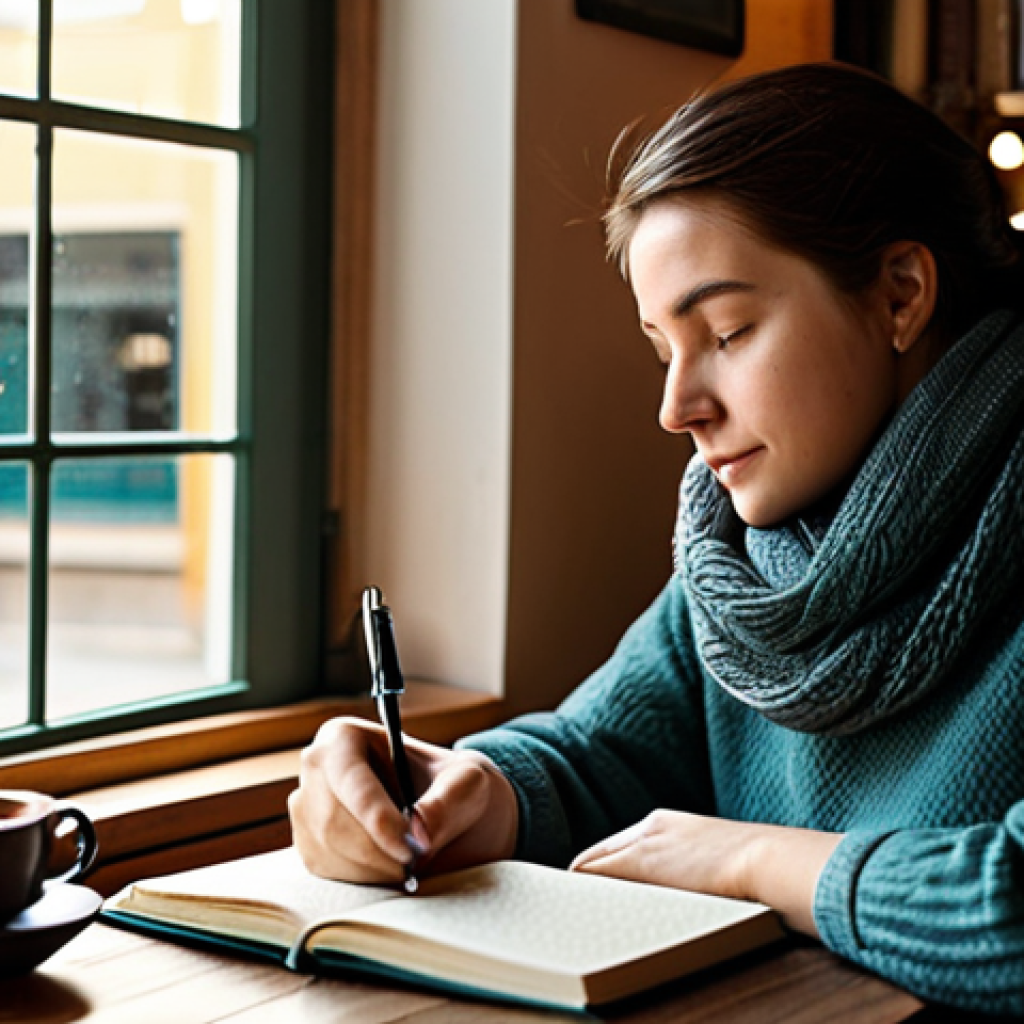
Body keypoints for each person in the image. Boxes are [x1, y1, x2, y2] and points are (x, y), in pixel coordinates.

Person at [289, 63, 1024, 1015]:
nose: (676, 407)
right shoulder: (743, 571)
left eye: (725, 331)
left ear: (899, 294)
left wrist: (756, 858)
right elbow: (602, 752)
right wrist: (462, 790)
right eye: (660, 347)